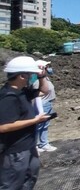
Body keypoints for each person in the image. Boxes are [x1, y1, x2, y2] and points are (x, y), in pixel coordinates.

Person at [0, 56, 50, 189]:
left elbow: (44, 91)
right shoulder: (8, 97)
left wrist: (41, 77)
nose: (30, 77)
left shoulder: (23, 92)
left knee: (29, 179)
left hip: (28, 146)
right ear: (22, 76)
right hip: (14, 151)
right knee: (12, 183)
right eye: (29, 75)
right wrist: (35, 120)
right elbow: (3, 127)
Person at [34, 60, 57, 152]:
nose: (48, 68)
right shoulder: (36, 80)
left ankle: (43, 143)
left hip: (47, 102)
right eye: (46, 66)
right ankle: (36, 145)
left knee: (45, 124)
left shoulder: (44, 78)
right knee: (39, 125)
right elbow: (36, 95)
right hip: (42, 104)